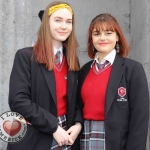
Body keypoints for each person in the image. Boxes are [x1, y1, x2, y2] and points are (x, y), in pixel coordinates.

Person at [8, 1, 82, 150]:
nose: (64, 26)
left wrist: (78, 124)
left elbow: (77, 100)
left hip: (66, 136)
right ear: (46, 23)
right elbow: (18, 100)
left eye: (69, 22)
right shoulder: (25, 56)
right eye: (58, 20)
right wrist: (54, 127)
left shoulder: (72, 60)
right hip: (35, 137)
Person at [78, 13, 149, 150]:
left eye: (108, 33)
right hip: (85, 138)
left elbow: (140, 117)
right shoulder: (84, 71)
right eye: (97, 34)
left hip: (116, 142)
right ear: (91, 39)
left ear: (117, 37)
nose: (102, 38)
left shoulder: (133, 69)